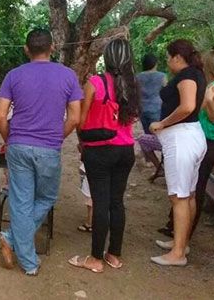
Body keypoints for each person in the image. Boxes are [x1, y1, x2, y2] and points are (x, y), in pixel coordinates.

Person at [0, 28, 82, 276]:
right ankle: (28, 261)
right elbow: (75, 118)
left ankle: (11, 238)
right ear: (52, 48)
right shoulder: (67, 76)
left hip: (18, 146)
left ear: (26, 49)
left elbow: (0, 116)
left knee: (21, 202)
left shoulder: (14, 75)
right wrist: (56, 137)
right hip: (49, 149)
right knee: (45, 198)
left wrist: (10, 139)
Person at [68, 39, 140, 273]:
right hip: (126, 150)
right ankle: (114, 255)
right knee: (117, 202)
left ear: (107, 58)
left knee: (101, 202)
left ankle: (95, 258)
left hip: (99, 150)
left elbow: (81, 118)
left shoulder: (95, 83)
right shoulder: (133, 85)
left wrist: (82, 142)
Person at [157, 50, 214, 244]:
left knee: (192, 191)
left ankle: (182, 239)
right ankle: (179, 236)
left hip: (212, 141)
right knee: (192, 190)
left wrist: (207, 102)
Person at [149, 39, 207, 267]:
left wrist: (162, 123)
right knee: (188, 194)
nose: (167, 61)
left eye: (168, 57)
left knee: (179, 197)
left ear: (177, 58)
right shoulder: (197, 74)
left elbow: (188, 107)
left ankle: (178, 253)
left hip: (181, 138)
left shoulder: (187, 77)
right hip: (191, 135)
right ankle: (181, 242)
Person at [136, 54, 167, 178]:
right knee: (161, 137)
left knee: (146, 135)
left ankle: (151, 161)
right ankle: (164, 165)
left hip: (143, 109)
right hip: (157, 109)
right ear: (155, 63)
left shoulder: (137, 77)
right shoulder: (162, 76)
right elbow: (166, 92)